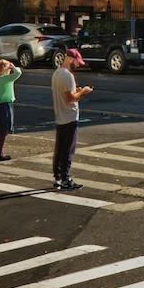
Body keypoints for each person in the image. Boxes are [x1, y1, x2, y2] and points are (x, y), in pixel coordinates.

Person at [49, 46, 92, 192]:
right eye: (77, 62)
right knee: (68, 150)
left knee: (59, 149)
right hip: (69, 117)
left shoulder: (56, 74)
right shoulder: (67, 76)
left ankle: (57, 178)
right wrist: (83, 92)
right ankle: (66, 179)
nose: (78, 64)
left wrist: (77, 91)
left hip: (60, 117)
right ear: (71, 59)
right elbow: (70, 98)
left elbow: (65, 94)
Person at [0, 56, 20, 162]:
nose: (10, 69)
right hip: (5, 105)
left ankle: (0, 152)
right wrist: (13, 66)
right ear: (4, 68)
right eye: (8, 67)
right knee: (4, 130)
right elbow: (18, 73)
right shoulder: (6, 79)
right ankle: (0, 153)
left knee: (2, 130)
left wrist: (8, 67)